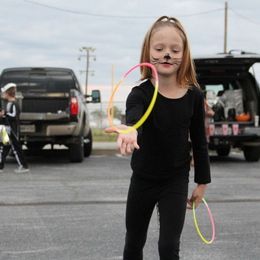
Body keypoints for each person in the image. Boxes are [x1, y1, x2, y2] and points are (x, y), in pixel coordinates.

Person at [105, 16, 211, 260]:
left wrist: (202, 183)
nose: (166, 55)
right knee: (133, 243)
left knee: (168, 247)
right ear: (148, 51)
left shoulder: (194, 96)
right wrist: (130, 129)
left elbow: (199, 141)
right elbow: (134, 118)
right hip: (143, 179)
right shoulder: (139, 94)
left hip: (175, 180)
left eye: (174, 50)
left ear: (184, 54)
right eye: (159, 49)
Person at [0, 83, 29, 173]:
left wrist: (4, 114)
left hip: (11, 130)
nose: (2, 94)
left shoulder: (14, 103)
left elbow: (13, 116)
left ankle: (24, 166)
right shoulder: (9, 103)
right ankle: (0, 166)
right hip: (6, 129)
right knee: (4, 147)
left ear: (8, 93)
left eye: (4, 93)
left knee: (16, 148)